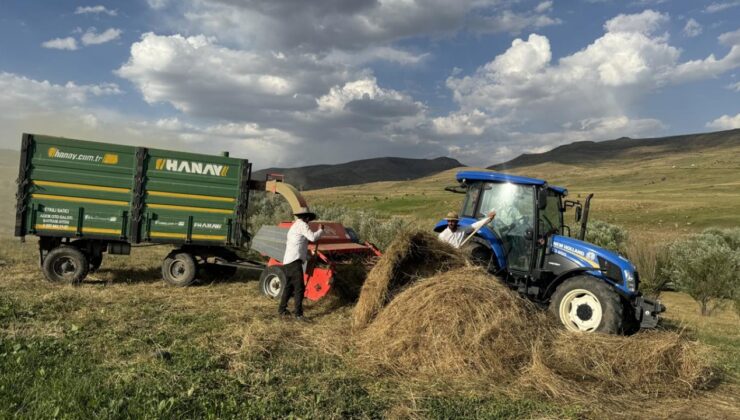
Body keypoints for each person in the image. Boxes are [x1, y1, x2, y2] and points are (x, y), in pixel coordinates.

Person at [279, 207, 324, 321]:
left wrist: (308, 256)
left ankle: (282, 310)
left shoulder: (294, 226)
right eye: (309, 219)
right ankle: (298, 315)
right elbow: (313, 237)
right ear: (307, 217)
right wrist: (321, 230)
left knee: (289, 287)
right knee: (299, 288)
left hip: (288, 262)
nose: (309, 221)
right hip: (294, 262)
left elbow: (299, 245)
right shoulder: (302, 225)